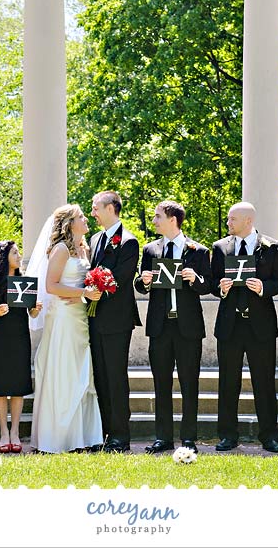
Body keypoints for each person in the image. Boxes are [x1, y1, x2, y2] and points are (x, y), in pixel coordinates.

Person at [134, 201, 212, 454]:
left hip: (188, 327)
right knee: (161, 384)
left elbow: (208, 286)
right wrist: (144, 281)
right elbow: (140, 285)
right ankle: (163, 438)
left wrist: (195, 279)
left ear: (172, 219)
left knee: (190, 384)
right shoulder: (150, 250)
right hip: (160, 327)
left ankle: (188, 438)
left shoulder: (198, 251)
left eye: (158, 216)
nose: (154, 221)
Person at [210, 202, 278, 453]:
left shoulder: (273, 246)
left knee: (264, 383)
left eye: (232, 219)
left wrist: (263, 287)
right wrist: (221, 288)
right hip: (229, 326)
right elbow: (212, 281)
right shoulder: (220, 247)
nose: (228, 223)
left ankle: (269, 436)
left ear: (248, 221)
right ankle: (227, 436)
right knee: (227, 383)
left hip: (260, 326)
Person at [28, 204, 104, 453]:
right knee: (64, 368)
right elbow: (51, 286)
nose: (86, 219)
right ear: (70, 223)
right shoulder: (60, 249)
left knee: (80, 370)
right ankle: (58, 437)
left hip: (79, 314)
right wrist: (83, 292)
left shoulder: (84, 248)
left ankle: (81, 436)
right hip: (62, 316)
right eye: (81, 217)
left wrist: (88, 293)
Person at [87, 191, 142, 452]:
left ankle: (121, 435)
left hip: (117, 321)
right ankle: (104, 432)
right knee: (100, 376)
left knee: (116, 377)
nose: (93, 213)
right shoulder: (95, 238)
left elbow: (120, 278)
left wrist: (97, 287)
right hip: (94, 318)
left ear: (111, 208)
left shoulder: (129, 242)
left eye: (96, 208)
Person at [0, 240, 42, 453]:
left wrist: (35, 309)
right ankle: (4, 433)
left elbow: (31, 313)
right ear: (3, 257)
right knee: (0, 388)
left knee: (18, 388)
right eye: (14, 253)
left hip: (19, 338)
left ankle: (15, 432)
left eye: (18, 252)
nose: (19, 256)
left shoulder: (24, 282)